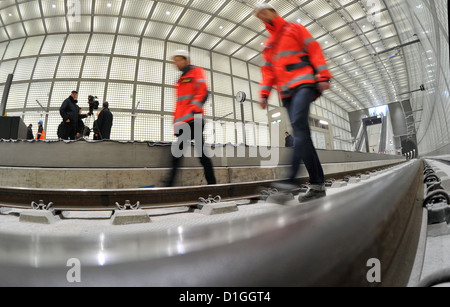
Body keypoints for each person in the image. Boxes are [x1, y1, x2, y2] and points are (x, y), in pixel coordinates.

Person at [255, 3, 333, 203]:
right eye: (258, 14)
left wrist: (323, 75)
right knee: (302, 135)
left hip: (305, 83)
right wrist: (264, 93)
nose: (261, 16)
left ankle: (289, 182)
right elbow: (269, 72)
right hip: (287, 93)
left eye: (263, 11)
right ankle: (317, 186)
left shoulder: (294, 28)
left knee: (298, 127)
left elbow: (313, 48)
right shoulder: (269, 44)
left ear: (273, 11)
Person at [164, 50, 216, 187]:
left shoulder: (196, 71)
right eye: (174, 61)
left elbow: (203, 91)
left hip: (194, 120)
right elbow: (180, 105)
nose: (176, 63)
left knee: (199, 154)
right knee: (180, 154)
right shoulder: (180, 80)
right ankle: (169, 185)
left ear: (186, 60)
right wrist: (176, 123)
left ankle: (213, 184)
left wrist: (194, 110)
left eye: (179, 60)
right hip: (184, 123)